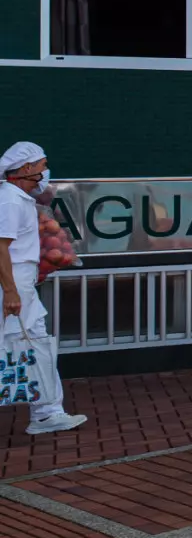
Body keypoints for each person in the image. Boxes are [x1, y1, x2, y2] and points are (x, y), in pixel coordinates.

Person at [0, 142, 85, 437]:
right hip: (13, 285)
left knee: (35, 341)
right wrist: (11, 291)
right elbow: (1, 248)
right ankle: (47, 412)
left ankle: (47, 411)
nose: (45, 171)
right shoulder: (10, 201)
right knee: (32, 342)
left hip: (20, 282)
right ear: (26, 168)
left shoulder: (19, 200)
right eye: (42, 165)